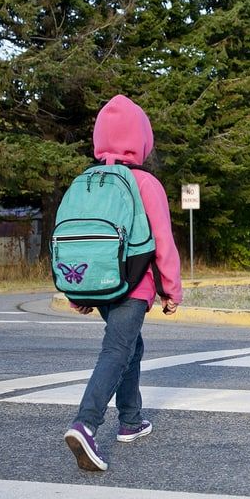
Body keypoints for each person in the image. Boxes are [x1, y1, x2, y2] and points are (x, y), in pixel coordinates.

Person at [63, 95, 183, 471]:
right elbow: (162, 241)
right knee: (117, 349)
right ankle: (86, 423)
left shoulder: (86, 182)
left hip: (98, 284)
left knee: (131, 344)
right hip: (134, 285)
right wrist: (171, 289)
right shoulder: (145, 183)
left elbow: (72, 238)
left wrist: (76, 289)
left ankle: (131, 420)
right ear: (142, 140)